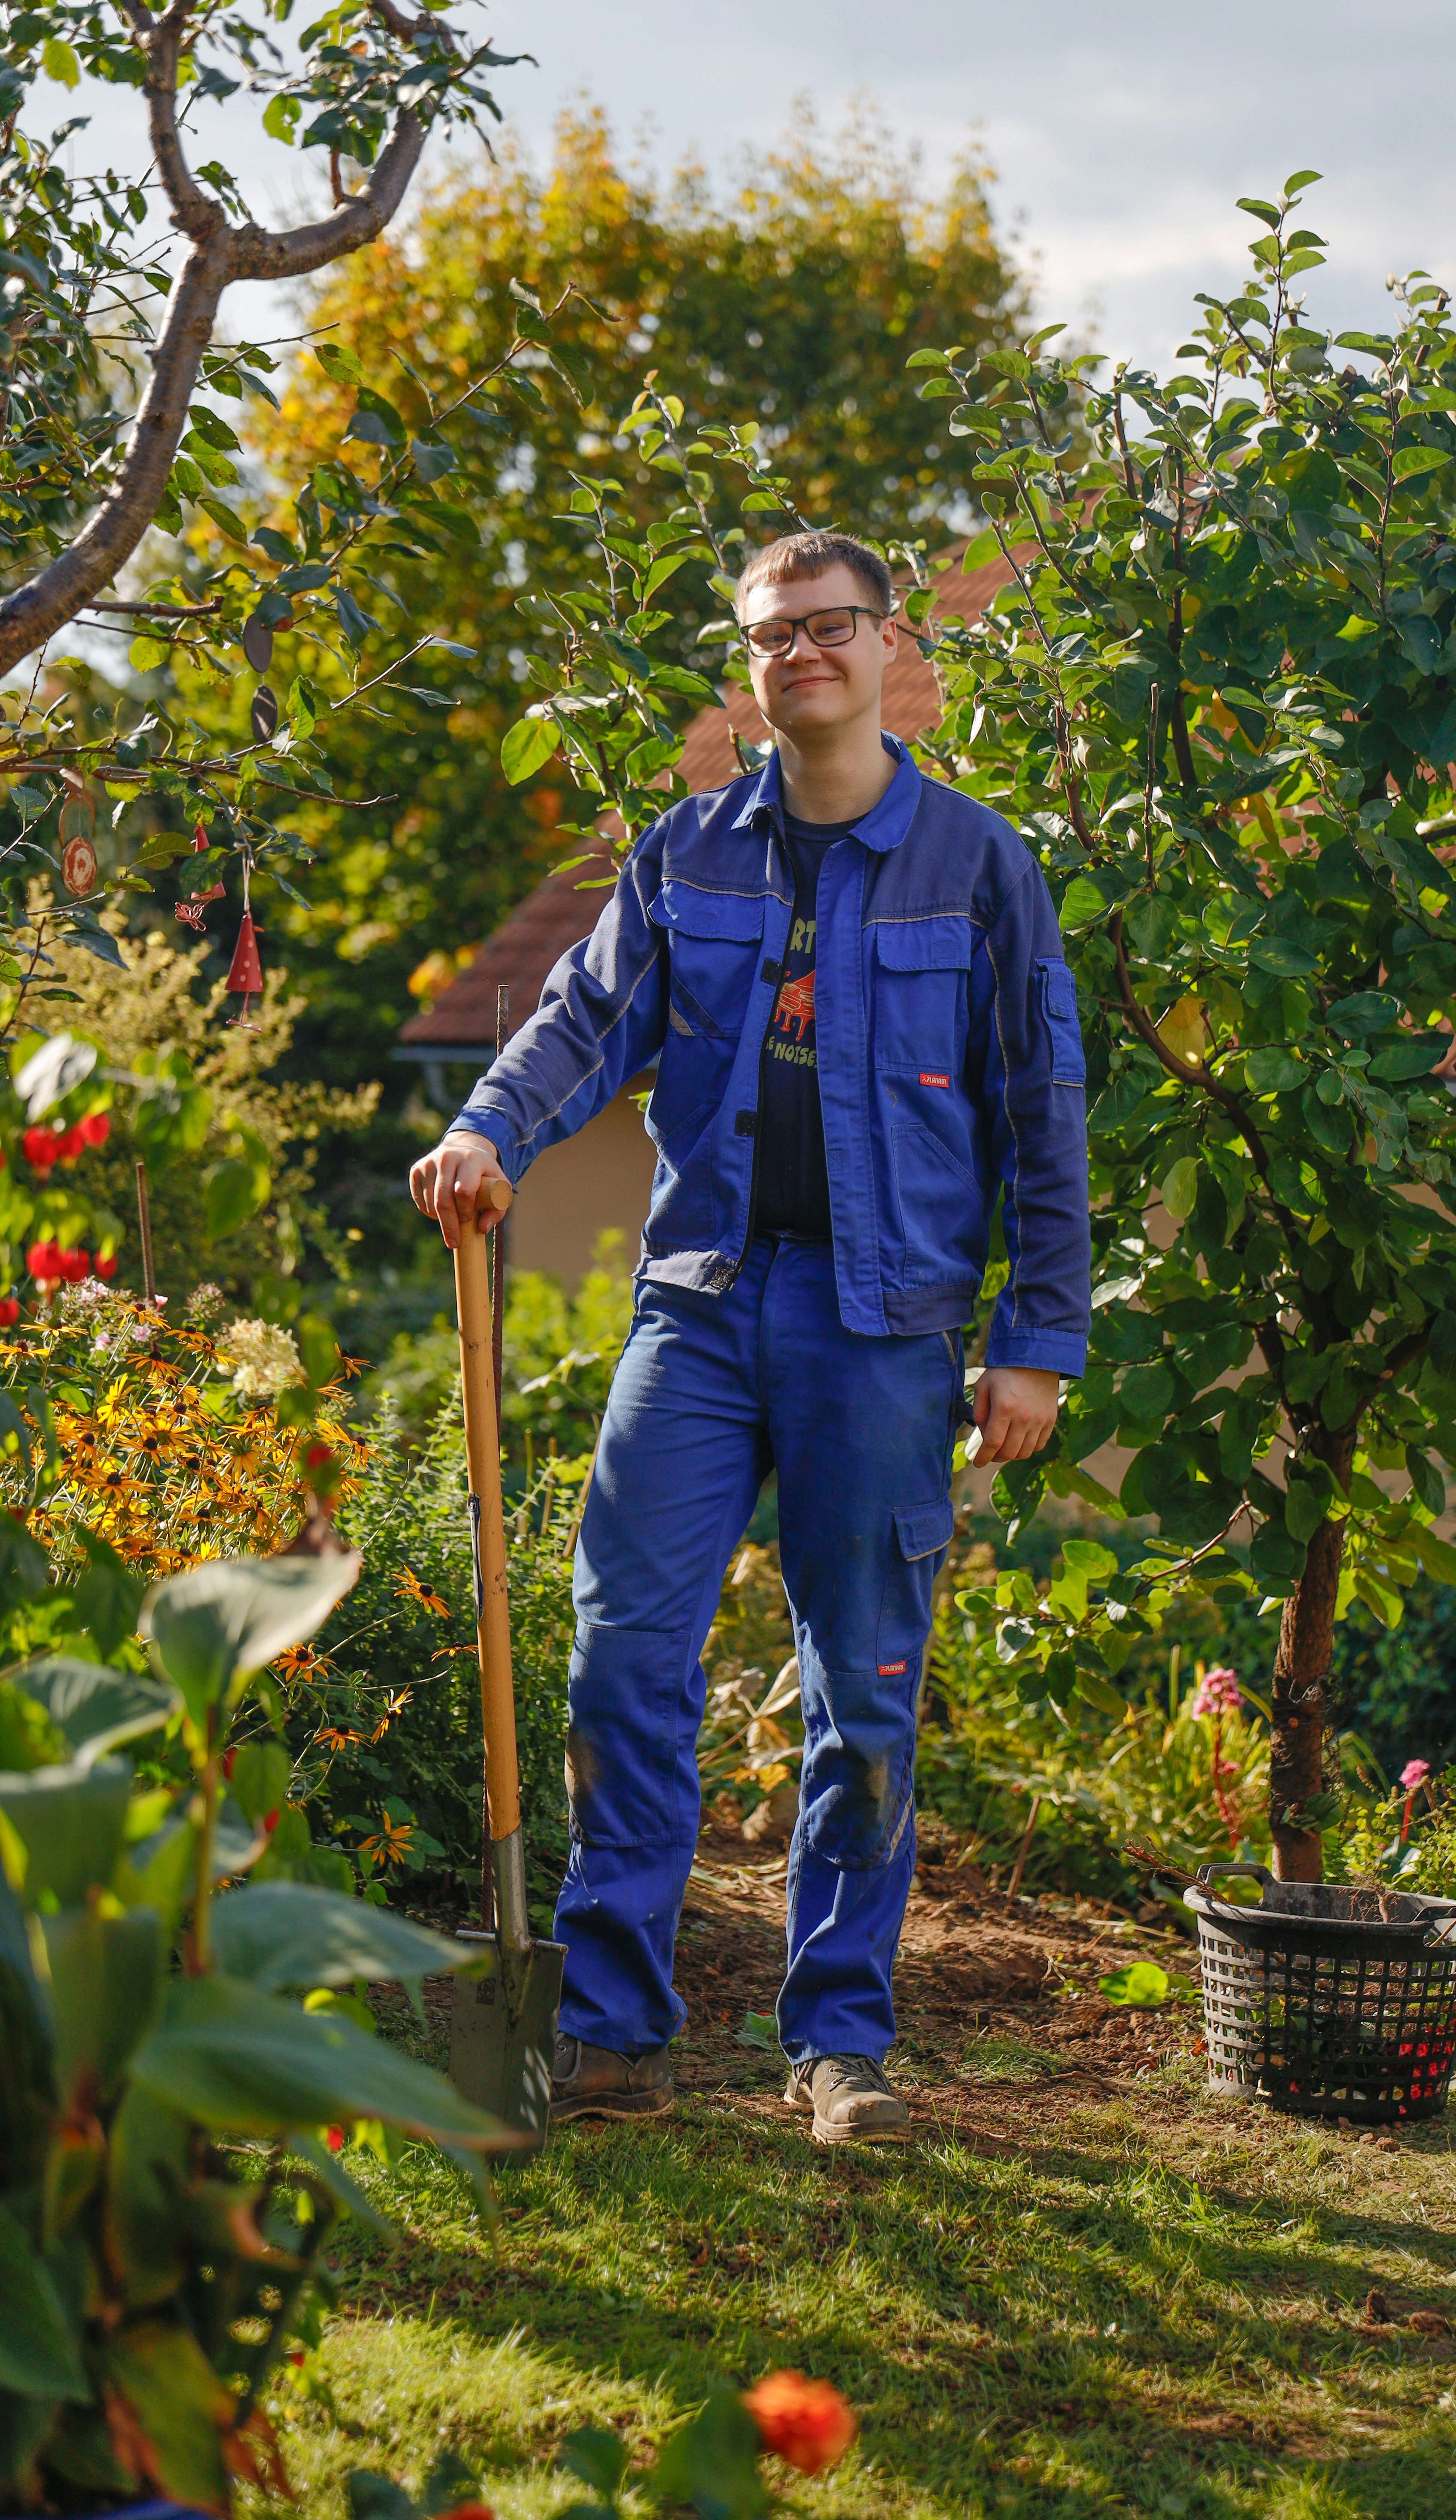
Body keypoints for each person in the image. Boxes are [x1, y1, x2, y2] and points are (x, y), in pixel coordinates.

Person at [411, 530, 1090, 2145]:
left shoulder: (980, 869)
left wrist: (1037, 1339)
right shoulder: (689, 854)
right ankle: (614, 2032)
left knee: (862, 1690)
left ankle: (839, 2046)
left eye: (831, 625)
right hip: (701, 1308)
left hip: (889, 1330)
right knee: (622, 1661)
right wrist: (491, 1131)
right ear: (749, 667)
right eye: (775, 634)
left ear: (887, 644)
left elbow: (1039, 1112)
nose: (804, 653)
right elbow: (583, 1017)